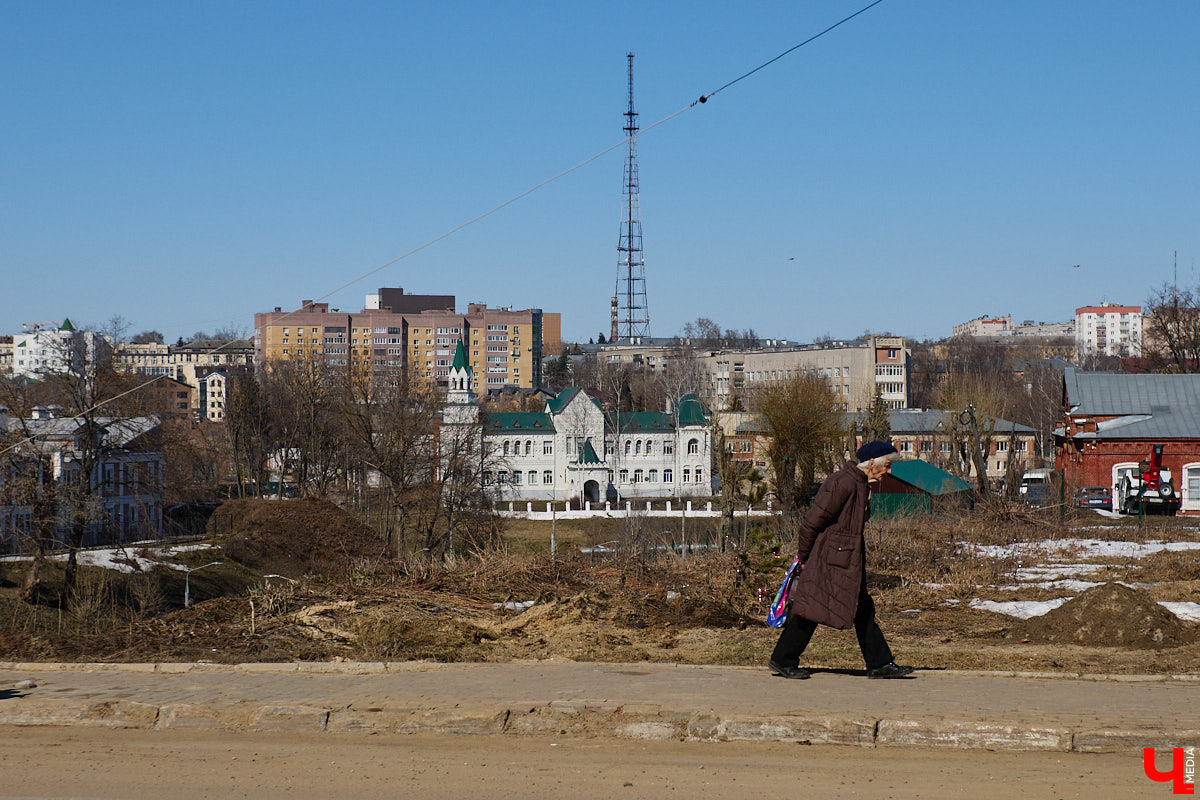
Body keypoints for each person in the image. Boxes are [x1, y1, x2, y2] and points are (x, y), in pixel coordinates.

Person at [768, 440, 914, 680]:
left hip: (847, 560)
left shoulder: (861, 485)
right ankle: (783, 659)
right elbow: (811, 523)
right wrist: (803, 557)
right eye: (887, 466)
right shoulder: (841, 483)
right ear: (870, 463)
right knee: (812, 608)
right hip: (828, 560)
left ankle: (879, 663)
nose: (889, 472)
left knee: (862, 608)